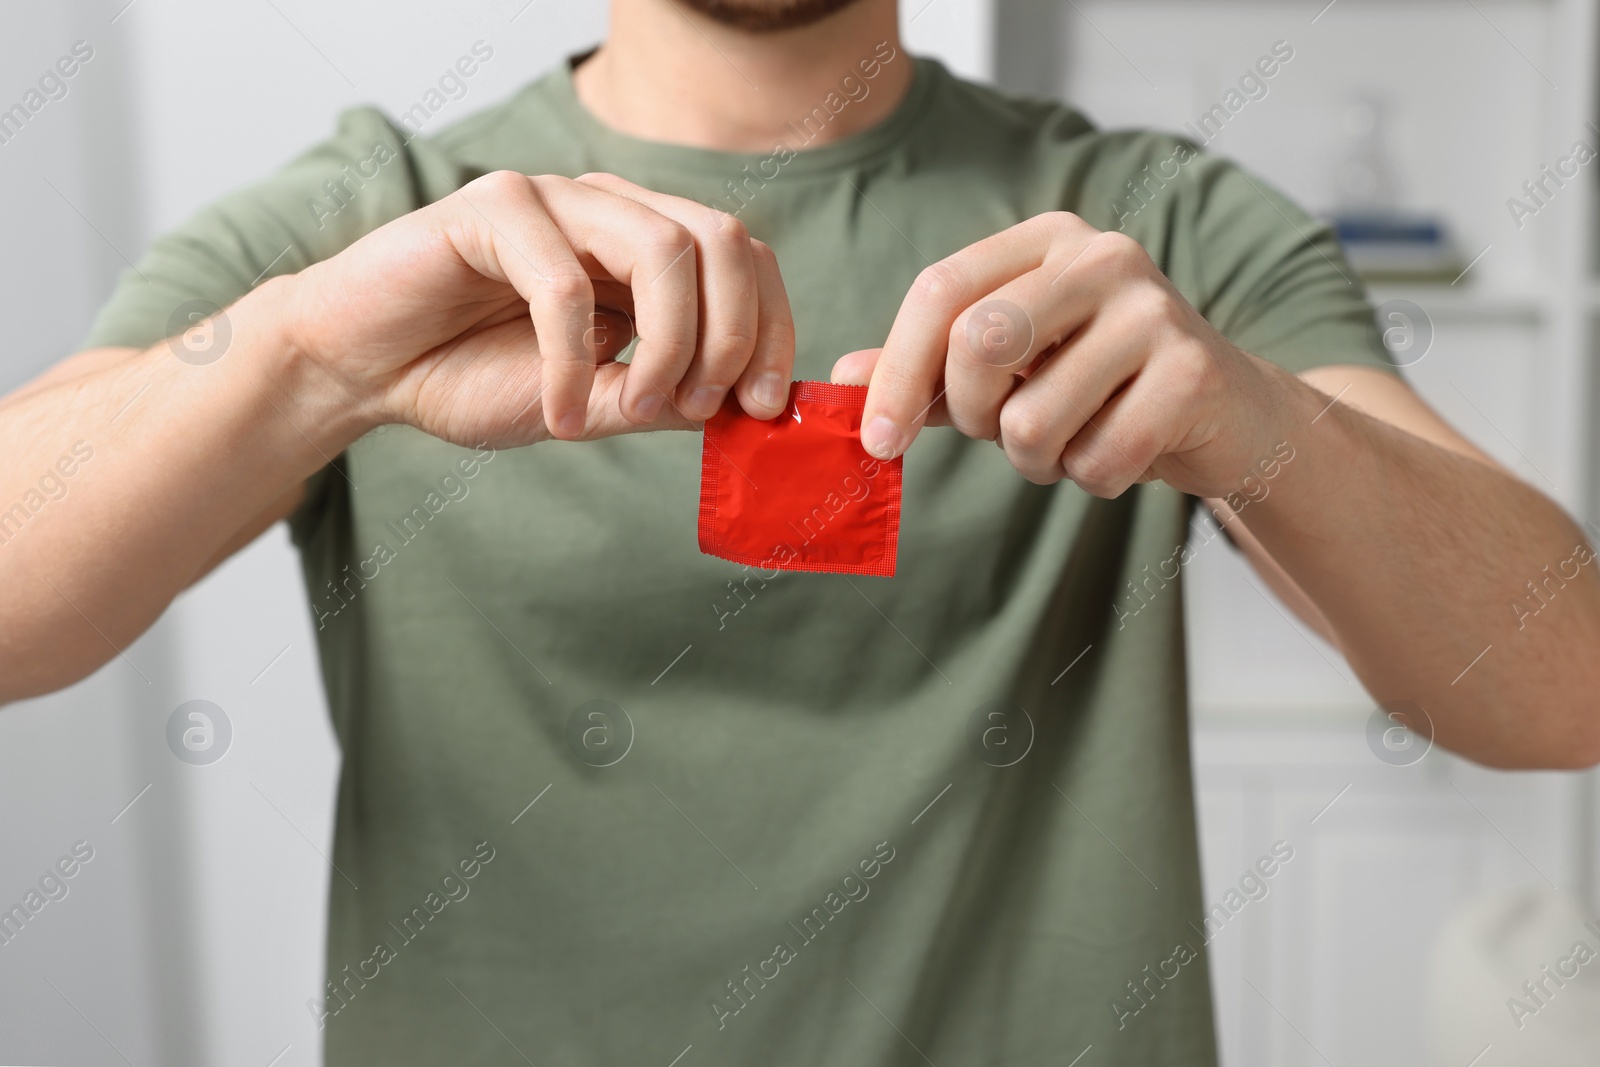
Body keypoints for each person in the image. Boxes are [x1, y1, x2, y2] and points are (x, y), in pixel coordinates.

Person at [3, 0, 1598, 1062]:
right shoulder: (369, 215)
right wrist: (307, 361)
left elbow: (1563, 690)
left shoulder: (1162, 228)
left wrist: (1257, 423)